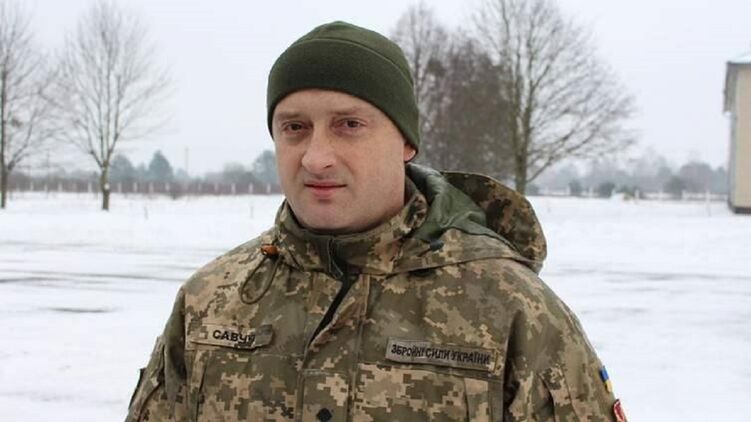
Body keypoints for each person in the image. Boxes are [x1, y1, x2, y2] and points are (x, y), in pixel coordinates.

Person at [126, 21, 627, 422]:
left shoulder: (512, 309)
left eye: (349, 125)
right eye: (294, 127)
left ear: (406, 142)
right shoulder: (209, 302)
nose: (316, 157)